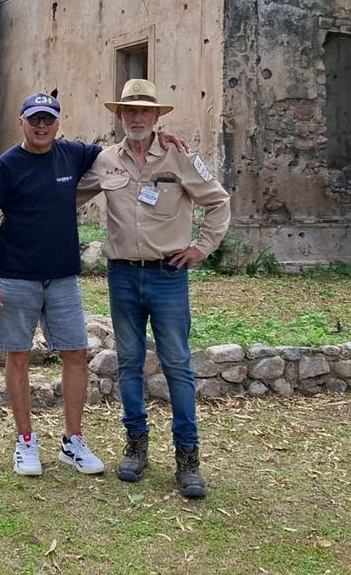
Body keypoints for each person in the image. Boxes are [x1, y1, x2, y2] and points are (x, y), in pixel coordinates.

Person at [0, 90, 187, 477]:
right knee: (18, 356)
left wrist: (161, 138)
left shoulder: (73, 154)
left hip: (62, 278)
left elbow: (123, 150)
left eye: (48, 119)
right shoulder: (7, 165)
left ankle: (73, 441)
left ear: (58, 123)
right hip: (16, 276)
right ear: (22, 122)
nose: (41, 126)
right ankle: (25, 440)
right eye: (34, 119)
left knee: (75, 354)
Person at [78, 78, 230, 499]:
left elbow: (218, 202)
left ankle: (188, 459)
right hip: (123, 276)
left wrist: (201, 248)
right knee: (129, 363)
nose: (137, 117)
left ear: (157, 116)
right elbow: (67, 194)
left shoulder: (180, 157)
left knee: (177, 365)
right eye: (130, 110)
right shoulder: (105, 160)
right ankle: (136, 447)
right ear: (120, 116)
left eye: (145, 110)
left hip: (168, 277)